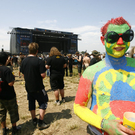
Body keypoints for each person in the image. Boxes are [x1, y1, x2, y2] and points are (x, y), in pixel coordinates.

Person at [74, 17, 135, 135]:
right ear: (103, 40)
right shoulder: (91, 72)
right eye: (113, 37)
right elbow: (78, 106)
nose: (121, 42)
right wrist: (104, 124)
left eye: (127, 36)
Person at [20, 42, 50, 130]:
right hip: (38, 87)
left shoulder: (24, 61)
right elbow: (43, 75)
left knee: (31, 102)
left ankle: (34, 119)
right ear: (37, 51)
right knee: (43, 102)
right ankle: (40, 122)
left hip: (28, 86)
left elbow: (23, 74)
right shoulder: (39, 61)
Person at [0, 52, 20, 135]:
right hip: (9, 96)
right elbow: (10, 83)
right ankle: (14, 128)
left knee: (1, 113)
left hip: (0, 96)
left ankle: (4, 129)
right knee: (13, 112)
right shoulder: (6, 70)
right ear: (6, 59)